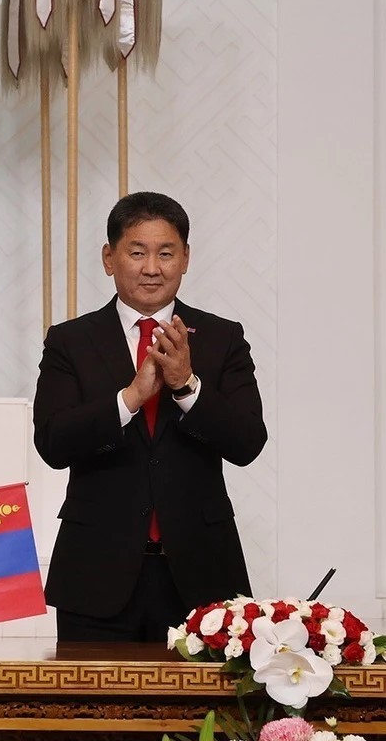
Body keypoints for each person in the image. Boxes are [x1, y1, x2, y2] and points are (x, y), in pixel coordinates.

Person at [33, 191, 267, 643]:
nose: (152, 268)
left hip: (201, 575)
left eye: (166, 253)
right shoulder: (70, 341)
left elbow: (247, 443)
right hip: (95, 573)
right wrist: (129, 398)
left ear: (185, 259)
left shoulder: (221, 338)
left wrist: (186, 387)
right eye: (137, 253)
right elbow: (53, 443)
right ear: (109, 258)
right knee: (89, 693)